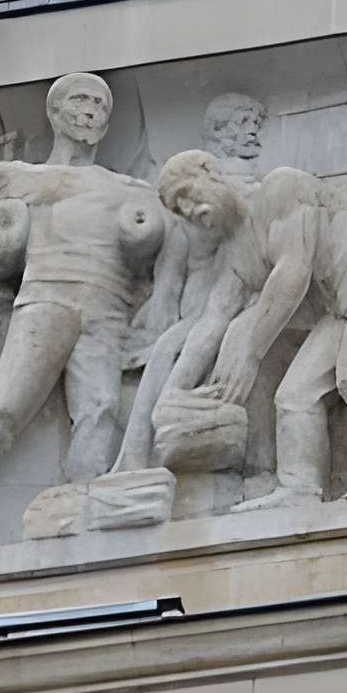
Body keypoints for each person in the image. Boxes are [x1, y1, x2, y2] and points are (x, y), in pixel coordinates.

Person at [0, 72, 165, 552]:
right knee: (3, 411)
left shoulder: (129, 188)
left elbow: (176, 256)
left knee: (101, 412)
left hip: (108, 308)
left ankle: (78, 515)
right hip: (47, 299)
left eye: (100, 103)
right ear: (54, 112)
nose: (91, 110)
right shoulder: (17, 178)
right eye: (80, 100)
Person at [158, 150, 347, 510]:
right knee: (294, 394)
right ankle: (300, 488)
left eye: (185, 192)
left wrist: (251, 350)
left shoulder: (281, 186)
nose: (188, 210)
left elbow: (293, 272)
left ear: (209, 171)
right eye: (177, 209)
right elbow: (213, 319)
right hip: (341, 304)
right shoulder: (237, 255)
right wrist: (172, 392)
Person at [113, 90, 271, 484]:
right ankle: (132, 459)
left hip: (241, 312)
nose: (254, 132)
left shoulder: (260, 196)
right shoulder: (192, 216)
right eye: (243, 123)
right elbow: (168, 285)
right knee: (167, 348)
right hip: (198, 318)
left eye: (256, 124)